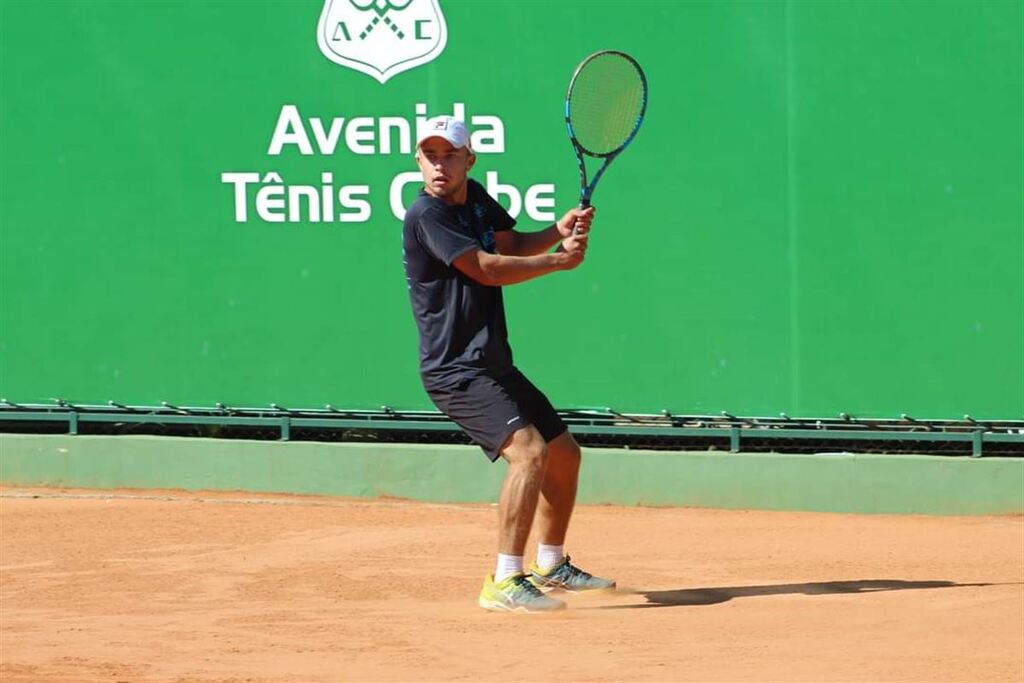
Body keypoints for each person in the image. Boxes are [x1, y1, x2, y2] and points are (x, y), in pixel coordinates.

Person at [402, 115, 615, 613]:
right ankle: (503, 580)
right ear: (418, 161)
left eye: (449, 154)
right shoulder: (425, 215)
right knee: (529, 452)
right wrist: (558, 262)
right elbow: (486, 268)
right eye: (430, 155)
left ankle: (551, 563)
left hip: (492, 362)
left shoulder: (473, 196)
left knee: (564, 454)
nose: (439, 164)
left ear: (468, 159)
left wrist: (553, 232)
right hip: (455, 371)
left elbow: (508, 243)